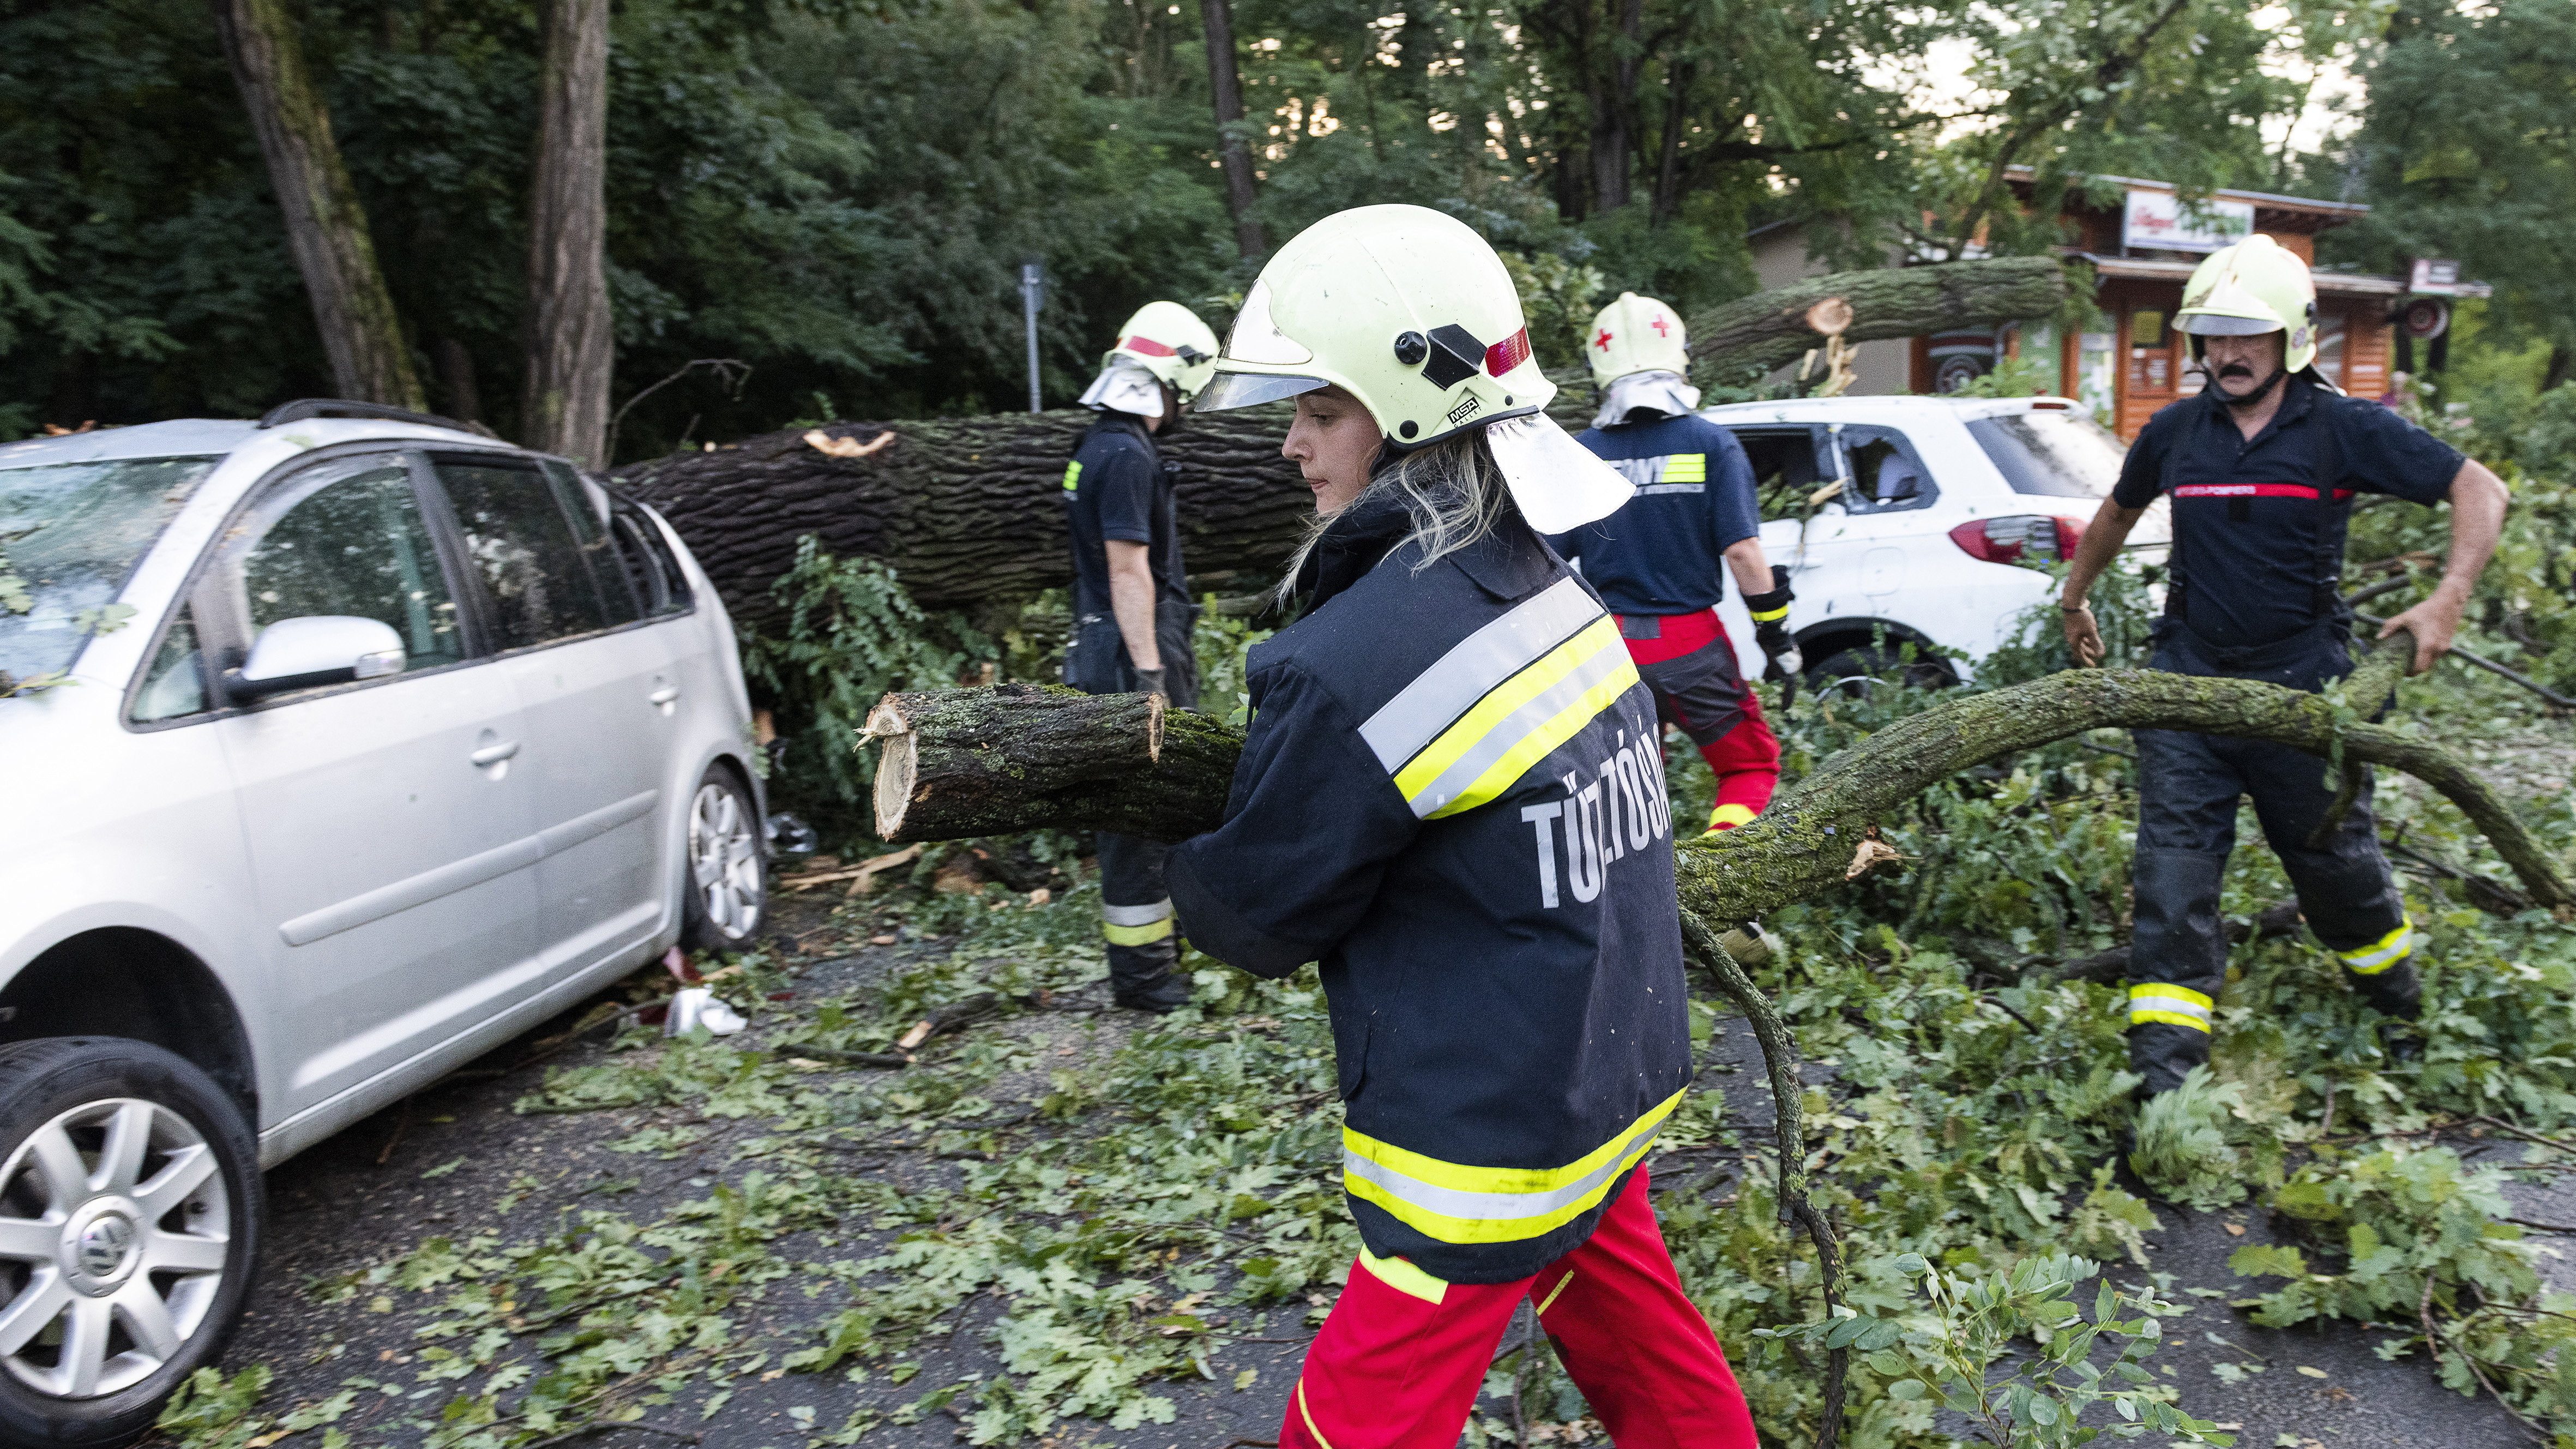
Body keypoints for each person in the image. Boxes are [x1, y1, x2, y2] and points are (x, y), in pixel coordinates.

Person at [1169, 206, 1759, 1449]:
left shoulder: (1351, 664)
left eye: (1316, 412)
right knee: (1645, 1353)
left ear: (1404, 418)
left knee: (1342, 1431)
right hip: (1602, 1073)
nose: (1288, 445)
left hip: (1481, 1141)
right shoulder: (1554, 588)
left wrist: (1165, 835)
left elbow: (1252, 918)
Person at [2056, 233, 2510, 1097]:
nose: (2226, 354)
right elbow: (2116, 512)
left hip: (2303, 688)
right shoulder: (2175, 432)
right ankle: (2165, 1093)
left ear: (2291, 338)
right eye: (2213, 335)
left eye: (2246, 335)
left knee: (2334, 868)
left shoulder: (2342, 427)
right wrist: (2075, 595)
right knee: (2172, 879)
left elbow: (2481, 490)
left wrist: (2445, 599)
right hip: (2188, 684)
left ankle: (2397, 1006)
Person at [1550, 292, 1796, 832]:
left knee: (1630, 781)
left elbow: (1545, 556)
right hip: (1690, 643)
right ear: (1678, 359)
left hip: (1607, 647)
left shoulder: (1582, 452)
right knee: (1748, 766)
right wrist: (1775, 636)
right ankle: (1723, 884)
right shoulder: (1711, 444)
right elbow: (1741, 551)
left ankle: (1648, 898)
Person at [1062, 300, 1221, 1013]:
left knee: (1148, 811)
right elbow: (1129, 570)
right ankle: (1147, 980)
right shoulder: (1127, 455)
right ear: (1174, 379)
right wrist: (1152, 672)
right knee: (1141, 815)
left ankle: (1159, 963)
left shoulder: (1096, 444)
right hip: (1132, 644)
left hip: (1101, 639)